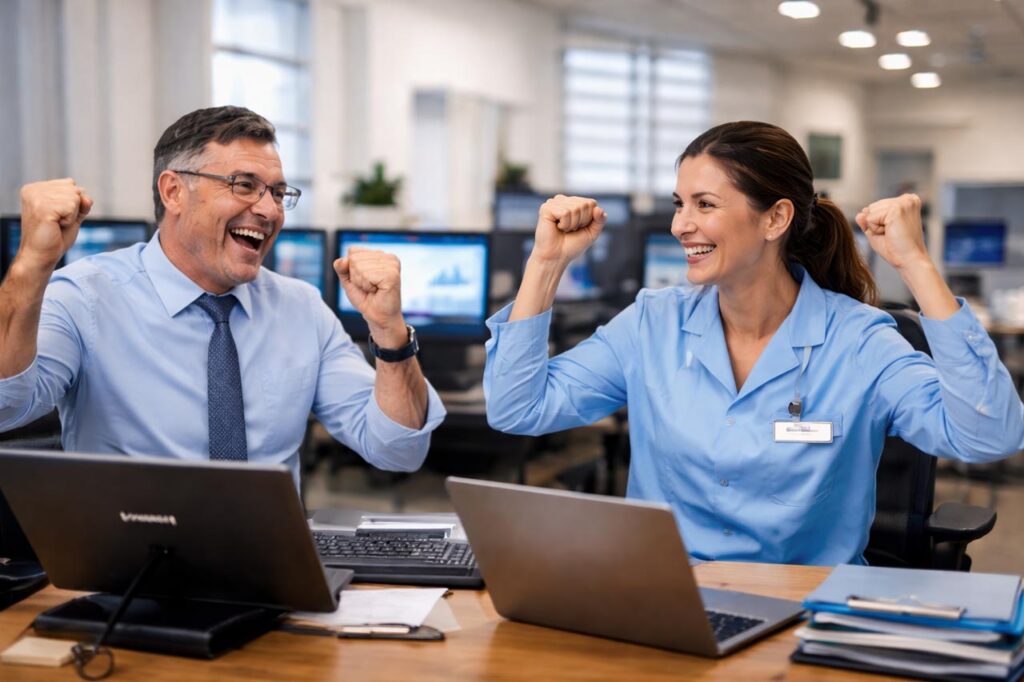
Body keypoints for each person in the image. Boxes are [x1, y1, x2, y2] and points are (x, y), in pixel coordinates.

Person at [484, 120, 1024, 565]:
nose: (680, 225)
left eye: (704, 205)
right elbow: (517, 409)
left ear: (776, 218)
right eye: (680, 204)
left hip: (804, 612)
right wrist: (546, 264)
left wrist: (916, 265)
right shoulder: (653, 324)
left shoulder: (859, 340)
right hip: (667, 603)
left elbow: (989, 436)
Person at [0, 106, 445, 485]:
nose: (270, 210)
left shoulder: (300, 308)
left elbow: (397, 451)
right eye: (244, 185)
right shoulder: (85, 296)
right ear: (173, 191)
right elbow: (7, 407)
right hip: (131, 576)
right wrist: (31, 266)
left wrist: (390, 333)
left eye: (276, 192)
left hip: (268, 572)